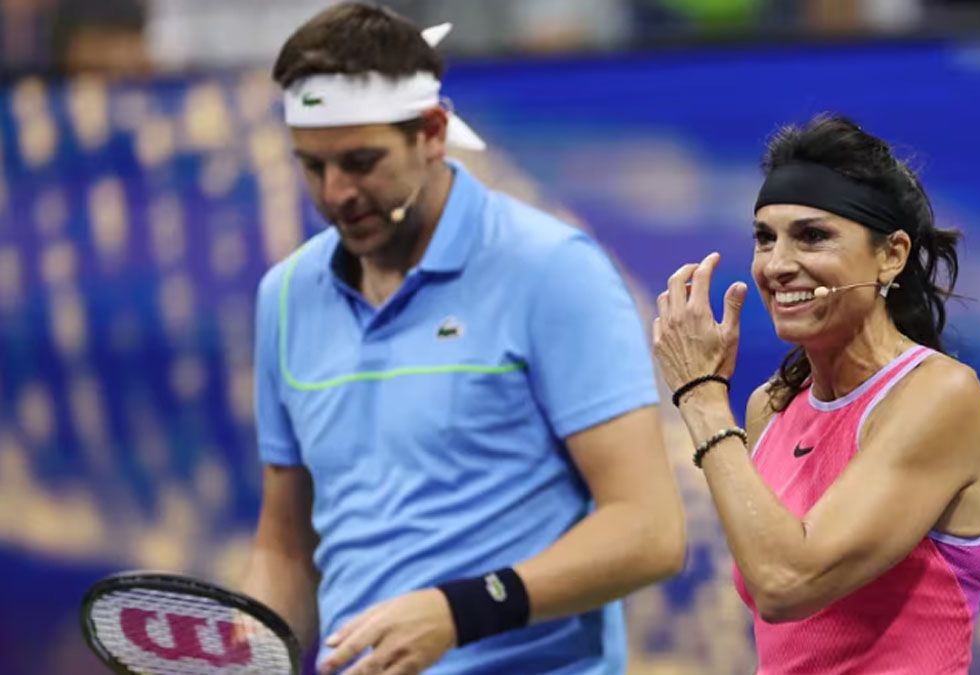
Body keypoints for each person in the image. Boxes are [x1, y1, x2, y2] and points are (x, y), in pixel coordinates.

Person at [241, 3, 687, 674]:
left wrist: (461, 610)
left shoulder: (552, 269)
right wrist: (253, 657)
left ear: (432, 132)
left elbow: (650, 530)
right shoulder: (284, 296)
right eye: (313, 166)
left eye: (361, 162)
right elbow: (285, 548)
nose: (337, 194)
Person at [652, 114, 980, 673]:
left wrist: (700, 394)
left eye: (813, 236)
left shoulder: (940, 395)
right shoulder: (770, 406)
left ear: (892, 255)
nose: (779, 265)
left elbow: (787, 582)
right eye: (766, 239)